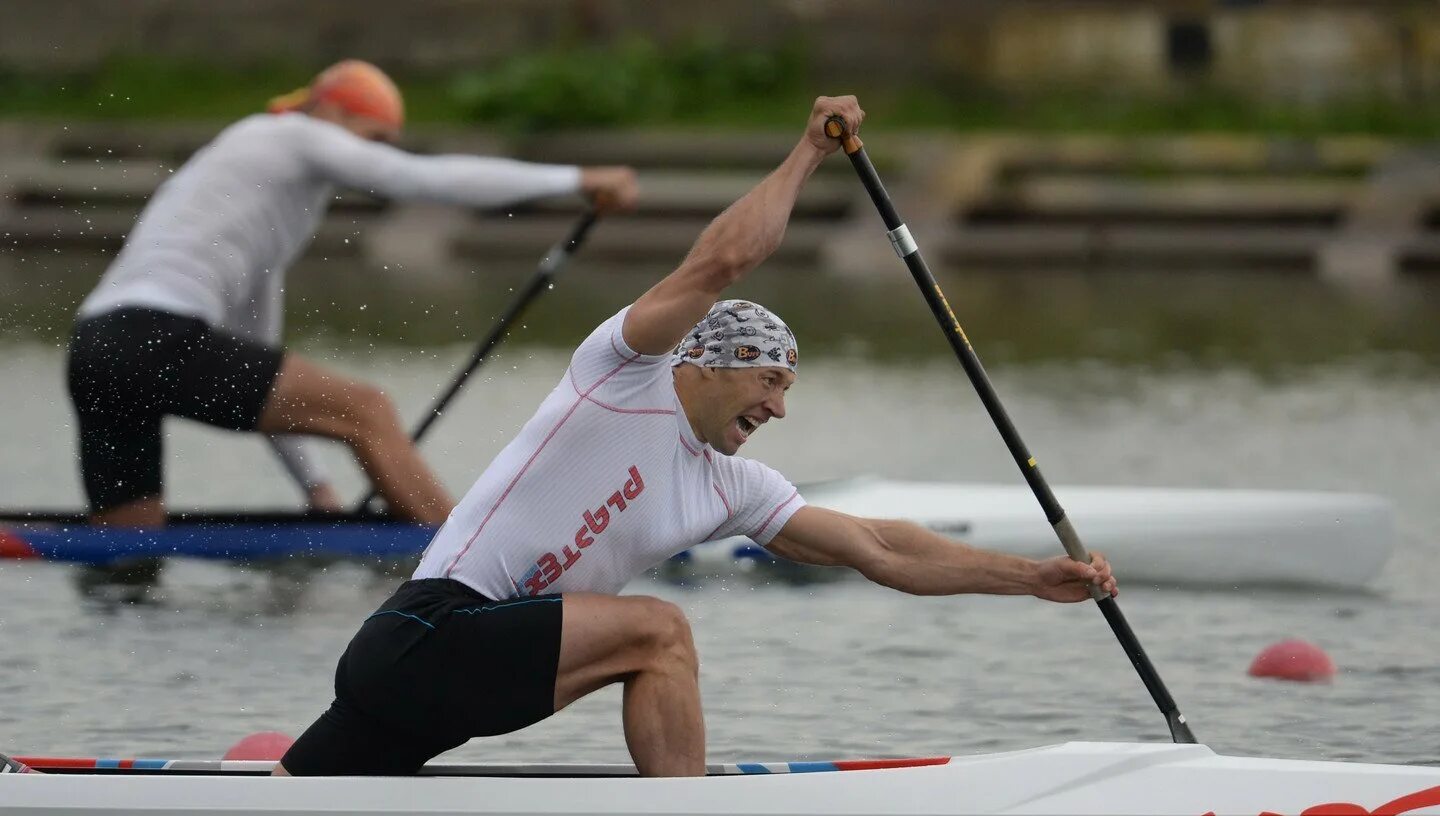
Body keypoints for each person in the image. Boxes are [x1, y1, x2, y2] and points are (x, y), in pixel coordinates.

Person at [277, 95, 1116, 779]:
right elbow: (718, 267)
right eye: (770, 381)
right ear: (709, 364)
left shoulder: (730, 486)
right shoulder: (622, 373)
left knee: (298, 799)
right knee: (661, 630)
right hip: (423, 636)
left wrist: (1031, 577)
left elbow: (879, 548)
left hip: (458, 676)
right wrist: (807, 155)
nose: (780, 409)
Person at [67, 60, 639, 526]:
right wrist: (576, 180)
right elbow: (422, 180)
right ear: (333, 111)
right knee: (368, 411)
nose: (379, 154)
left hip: (96, 350)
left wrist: (316, 488)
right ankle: (465, 562)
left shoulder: (264, 196)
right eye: (375, 140)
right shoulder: (291, 134)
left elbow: (260, 349)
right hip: (153, 338)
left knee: (129, 549)